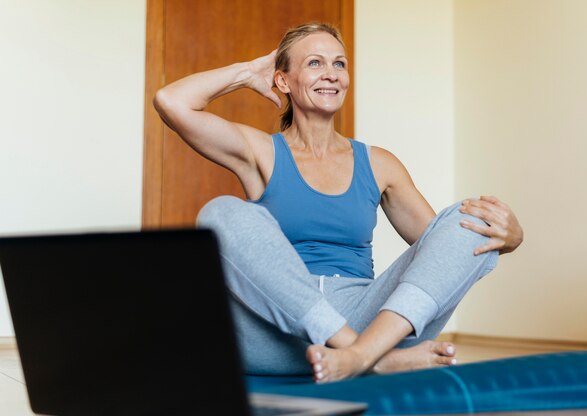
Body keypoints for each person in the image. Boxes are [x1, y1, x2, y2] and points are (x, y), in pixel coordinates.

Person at [153, 22, 523, 384]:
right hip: (273, 335)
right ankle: (375, 360)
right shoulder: (261, 152)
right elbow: (172, 102)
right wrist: (248, 71)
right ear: (283, 81)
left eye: (339, 64)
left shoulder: (379, 164)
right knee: (219, 212)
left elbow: (441, 252)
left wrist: (510, 238)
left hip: (364, 318)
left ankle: (358, 356)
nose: (330, 74)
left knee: (463, 218)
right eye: (314, 63)